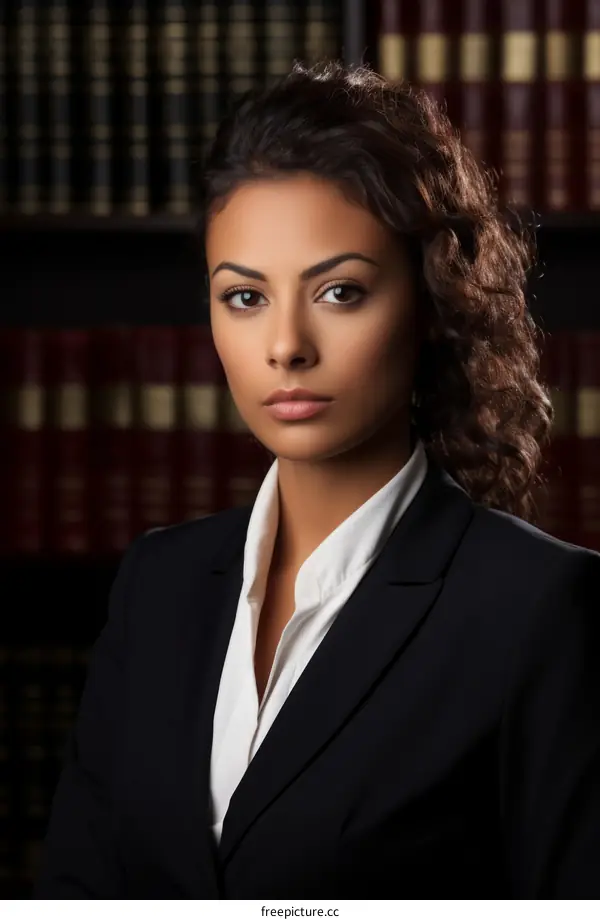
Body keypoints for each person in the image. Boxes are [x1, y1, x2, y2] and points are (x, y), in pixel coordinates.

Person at [33, 59, 600, 899]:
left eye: (339, 292)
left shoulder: (540, 607)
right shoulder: (159, 584)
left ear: (430, 303)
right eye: (244, 297)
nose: (285, 347)